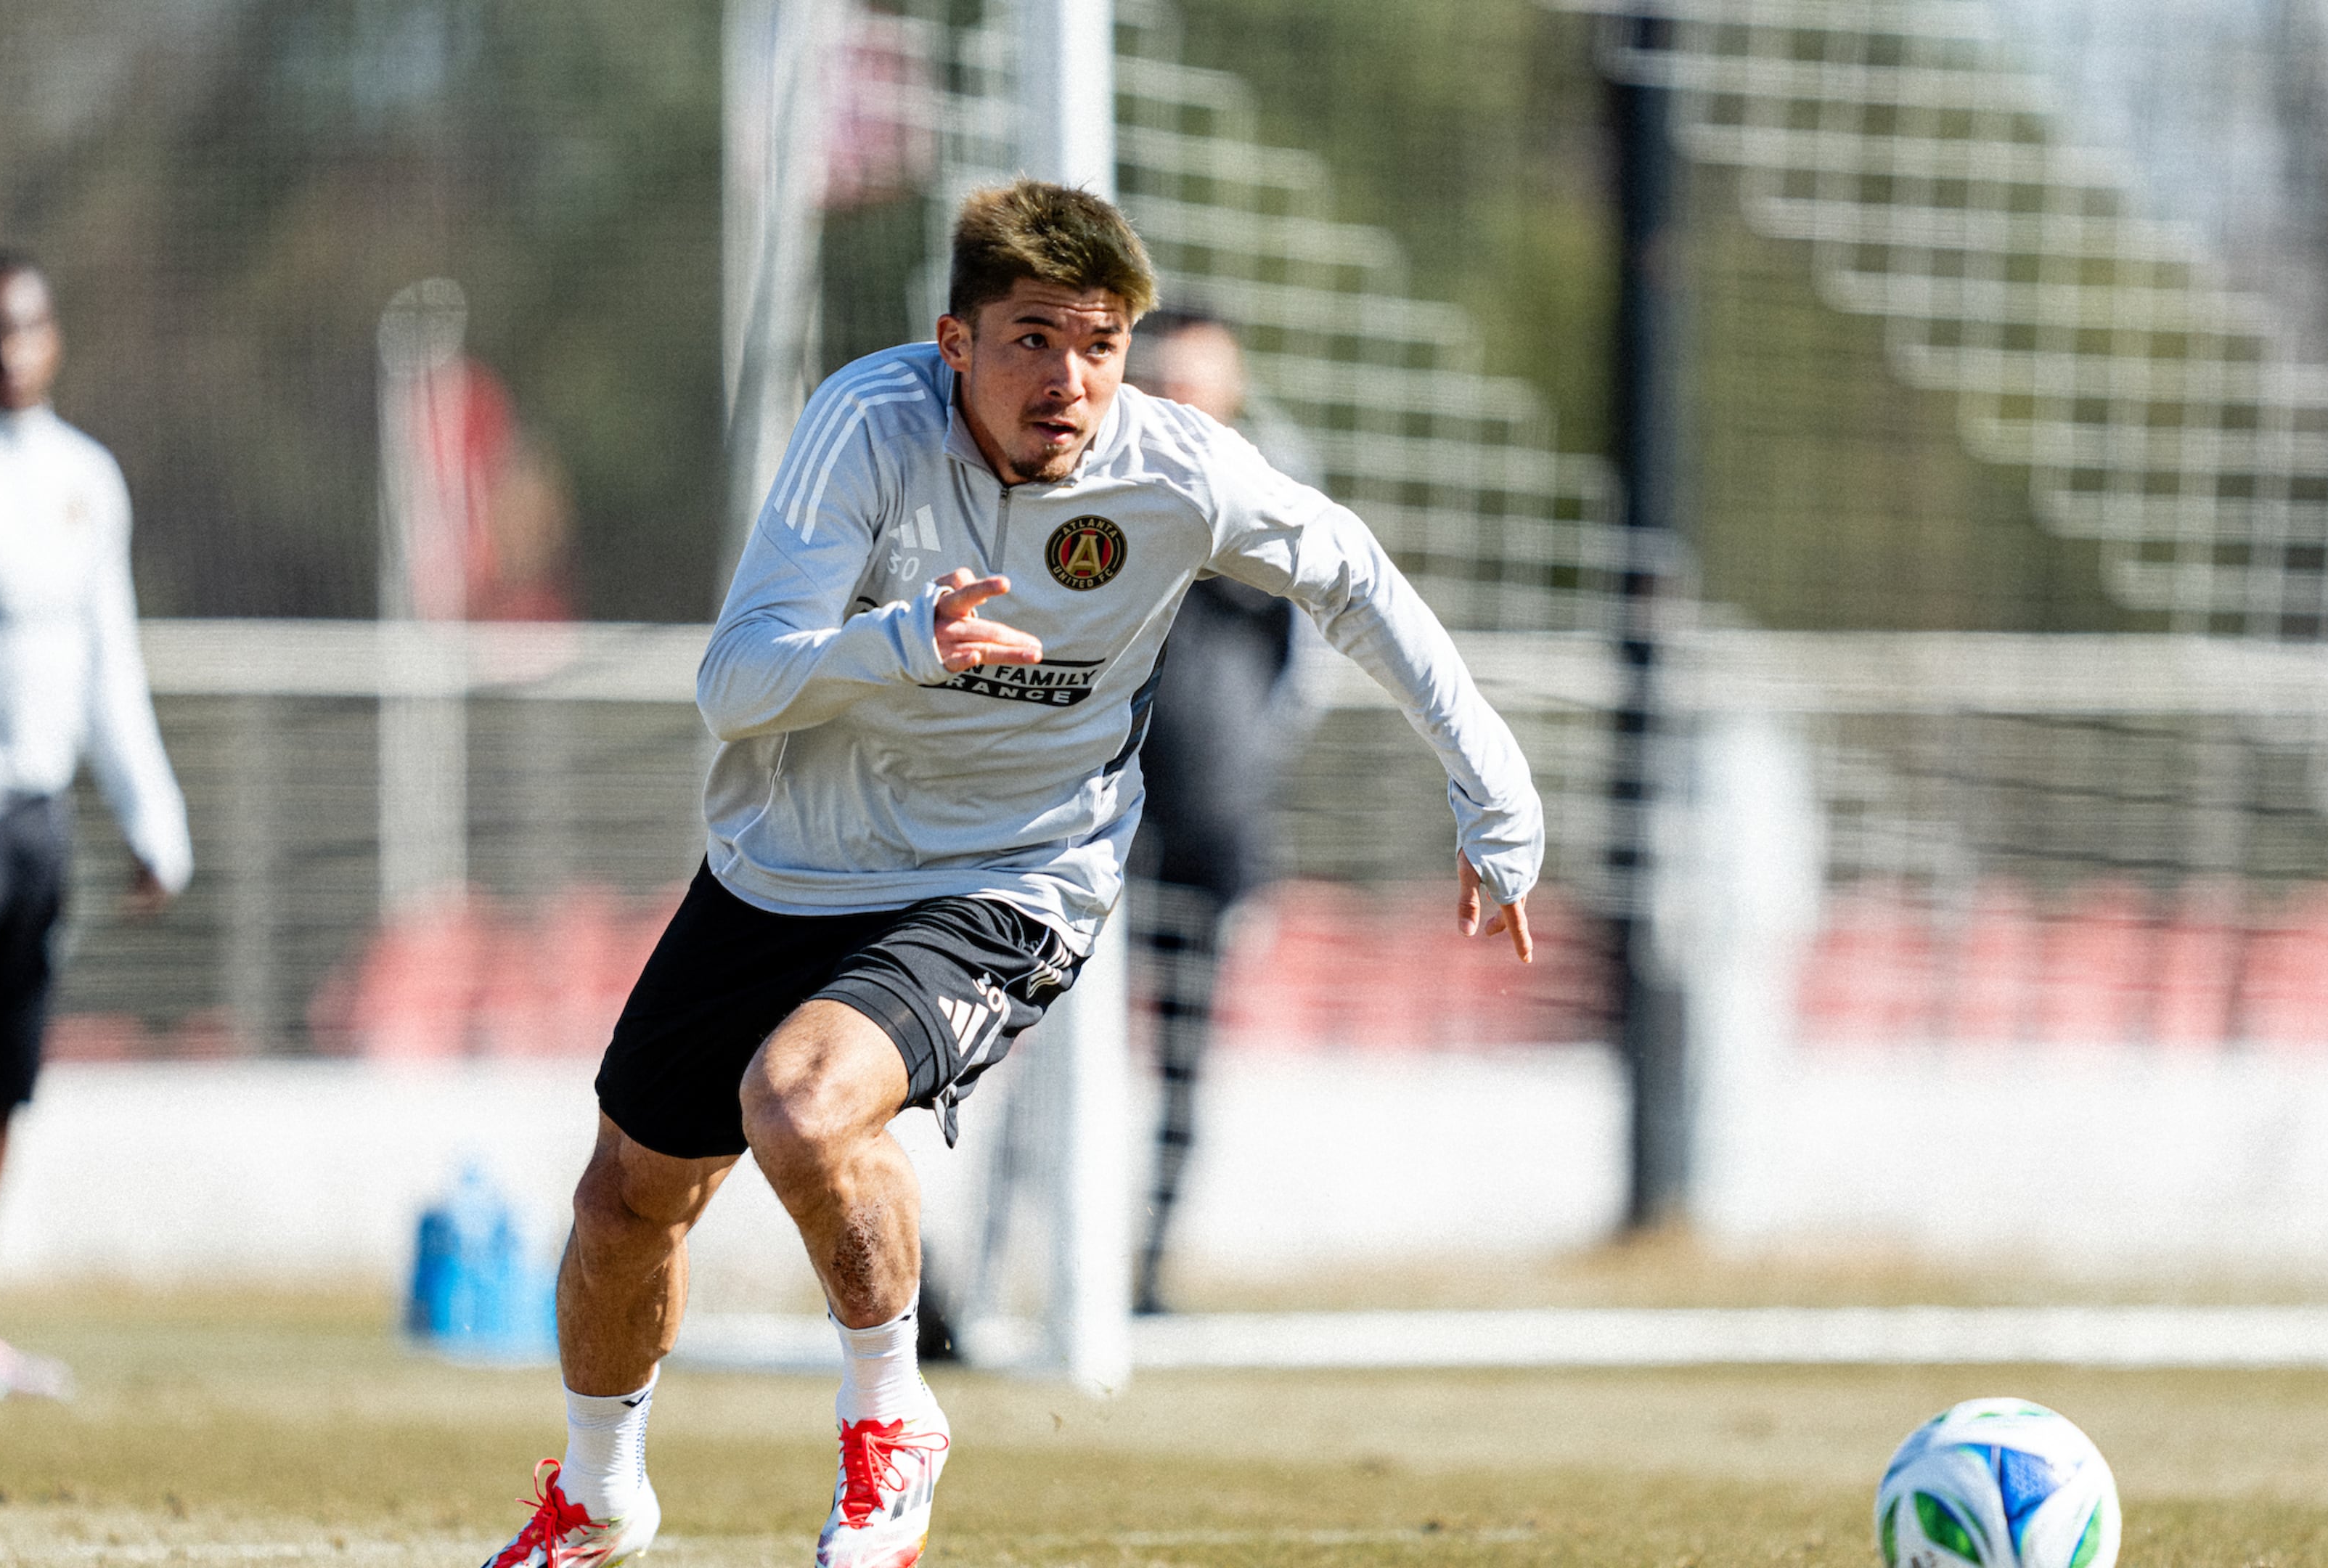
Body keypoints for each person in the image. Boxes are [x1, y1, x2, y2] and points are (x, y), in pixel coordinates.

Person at [481, 181, 1540, 1568]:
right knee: (627, 1199)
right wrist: (898, 646)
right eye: (1033, 338)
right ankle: (603, 1493)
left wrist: (1497, 793)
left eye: (1100, 342)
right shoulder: (867, 426)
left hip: (1009, 876)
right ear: (954, 343)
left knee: (801, 1106)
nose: (1070, 379)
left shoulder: (1176, 467)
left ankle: (891, 1431)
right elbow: (736, 685)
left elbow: (1353, 577)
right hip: (784, 864)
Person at [0, 253, 191, 1398]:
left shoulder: (88, 477)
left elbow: (106, 661)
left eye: (28, 327)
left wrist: (149, 812)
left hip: (38, 822)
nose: (11, 350)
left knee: (1, 1079)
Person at [1121, 310, 1314, 1315]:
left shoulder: (1274, 506)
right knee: (1036, 1053)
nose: (1183, 399)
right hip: (1091, 828)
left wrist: (1249, 782)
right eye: (1166, 380)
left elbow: (1299, 672)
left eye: (1202, 380)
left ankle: (1149, 1266)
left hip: (1209, 825)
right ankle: (988, 1274)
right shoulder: (1093, 498)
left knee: (1183, 1061)